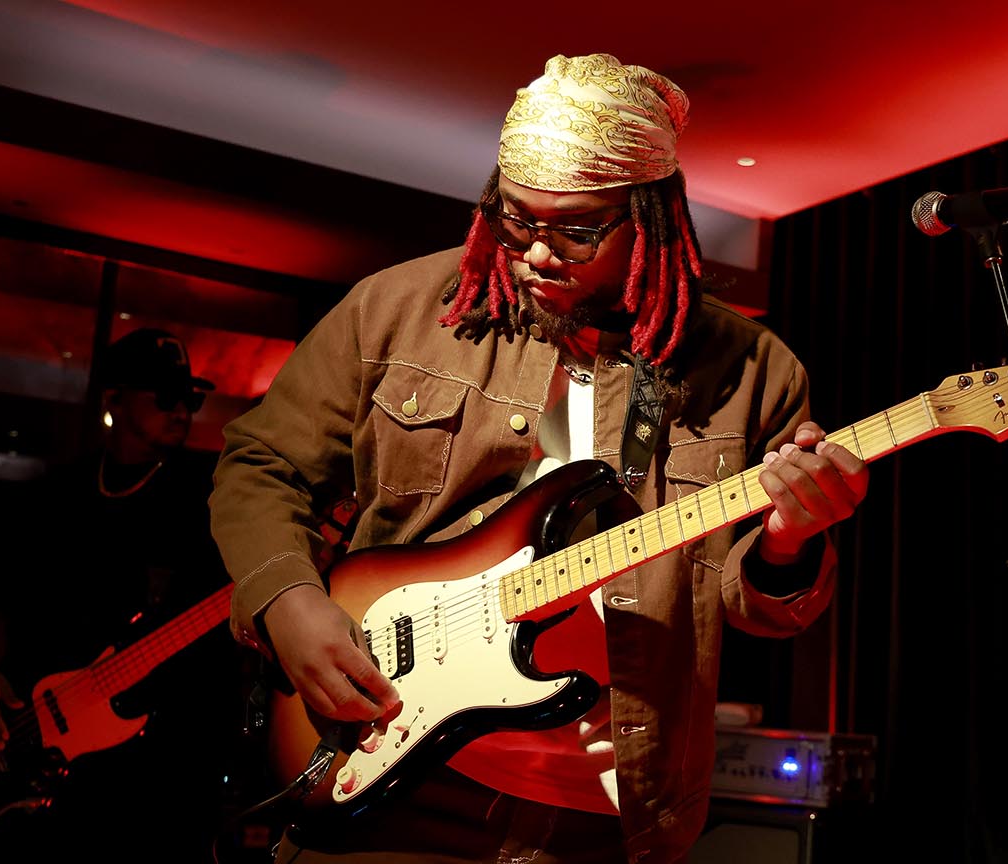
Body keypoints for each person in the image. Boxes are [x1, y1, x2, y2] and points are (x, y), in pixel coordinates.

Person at [209, 53, 870, 864]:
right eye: (516, 218)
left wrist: (788, 542)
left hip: (601, 812)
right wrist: (288, 606)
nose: (538, 252)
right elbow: (260, 464)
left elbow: (757, 604)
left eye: (578, 229)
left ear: (652, 216)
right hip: (382, 766)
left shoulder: (751, 370)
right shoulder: (396, 311)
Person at [0, 327, 246, 863]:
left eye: (190, 398)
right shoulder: (59, 494)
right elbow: (3, 589)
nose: (182, 409)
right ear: (113, 399)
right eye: (164, 396)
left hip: (158, 774)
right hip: (47, 756)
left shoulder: (209, 498)